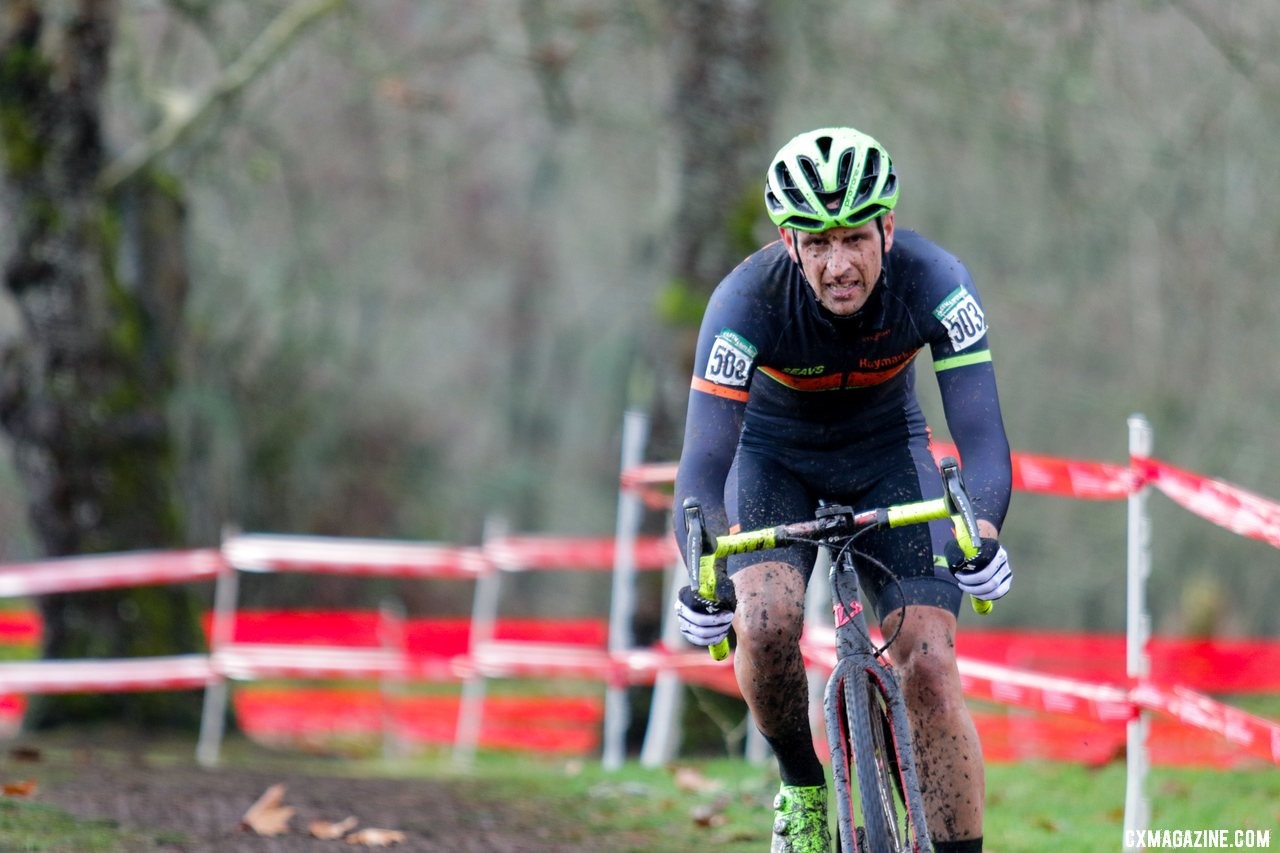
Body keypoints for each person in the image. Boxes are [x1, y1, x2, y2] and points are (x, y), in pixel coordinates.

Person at [671, 126, 1013, 853]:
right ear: (788, 243)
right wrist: (703, 580)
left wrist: (980, 532)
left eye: (854, 237)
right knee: (763, 623)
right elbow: (702, 470)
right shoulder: (741, 303)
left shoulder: (938, 281)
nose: (838, 264)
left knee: (928, 660)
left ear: (888, 228)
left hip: (888, 451)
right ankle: (800, 785)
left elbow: (982, 436)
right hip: (774, 458)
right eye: (815, 242)